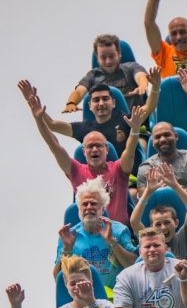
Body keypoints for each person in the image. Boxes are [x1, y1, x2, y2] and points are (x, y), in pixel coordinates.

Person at [19, 81, 144, 225]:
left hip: (119, 235)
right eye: (90, 147)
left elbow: (129, 152)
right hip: (90, 237)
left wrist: (134, 130)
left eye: (98, 146)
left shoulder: (118, 169)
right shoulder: (77, 171)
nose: (95, 150)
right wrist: (38, 118)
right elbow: (53, 145)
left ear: (107, 149)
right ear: (84, 152)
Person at [19, 72, 160, 172]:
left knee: (133, 193)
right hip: (100, 181)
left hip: (128, 178)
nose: (101, 103)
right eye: (96, 100)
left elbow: (149, 108)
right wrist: (33, 103)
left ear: (114, 102)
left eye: (105, 99)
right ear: (89, 106)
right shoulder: (85, 128)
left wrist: (154, 87)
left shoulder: (126, 119)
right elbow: (52, 125)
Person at [53, 179, 137, 294]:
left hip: (116, 299)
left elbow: (134, 266)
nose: (89, 207)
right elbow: (58, 279)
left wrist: (111, 241)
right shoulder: (68, 236)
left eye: (93, 203)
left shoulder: (119, 230)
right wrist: (67, 250)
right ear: (79, 209)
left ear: (103, 209)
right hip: (82, 299)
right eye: (84, 204)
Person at [61, 34, 150, 113]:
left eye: (111, 56)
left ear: (119, 54)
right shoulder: (93, 76)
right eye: (103, 57)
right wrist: (71, 103)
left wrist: (142, 85)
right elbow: (79, 91)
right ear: (97, 58)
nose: (108, 61)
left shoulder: (131, 67)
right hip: (106, 126)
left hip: (136, 123)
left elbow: (140, 75)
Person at [131, 164, 187, 262]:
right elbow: (134, 222)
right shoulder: (149, 240)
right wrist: (148, 192)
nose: (163, 227)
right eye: (158, 224)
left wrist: (175, 185)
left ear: (176, 223)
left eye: (167, 222)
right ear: (151, 226)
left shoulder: (184, 237)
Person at [136, 123, 187, 193]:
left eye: (167, 135)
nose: (162, 139)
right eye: (157, 137)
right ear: (152, 142)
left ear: (176, 136)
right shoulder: (146, 168)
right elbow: (144, 201)